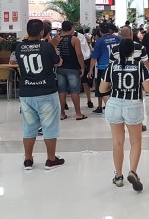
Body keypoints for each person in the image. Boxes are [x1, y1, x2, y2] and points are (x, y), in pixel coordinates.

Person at [99, 38, 149, 190]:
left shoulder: (111, 66)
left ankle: (118, 176)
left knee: (117, 142)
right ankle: (133, 171)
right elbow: (148, 89)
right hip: (133, 104)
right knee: (135, 142)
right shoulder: (140, 66)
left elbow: (102, 89)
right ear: (132, 51)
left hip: (114, 104)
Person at [15, 19, 65, 170]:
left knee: (29, 127)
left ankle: (28, 160)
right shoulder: (46, 46)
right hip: (46, 92)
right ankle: (51, 159)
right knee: (49, 126)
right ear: (42, 32)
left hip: (26, 93)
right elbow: (59, 62)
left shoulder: (19, 48)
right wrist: (54, 45)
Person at [53, 21, 87, 120]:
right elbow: (79, 54)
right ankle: (78, 113)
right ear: (72, 28)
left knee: (62, 91)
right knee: (74, 91)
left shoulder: (56, 39)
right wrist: (82, 66)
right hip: (73, 68)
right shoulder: (74, 39)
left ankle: (62, 113)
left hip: (60, 68)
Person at [89, 23, 121, 114]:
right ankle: (117, 105)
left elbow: (94, 57)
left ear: (100, 31)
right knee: (116, 87)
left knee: (102, 88)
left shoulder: (99, 41)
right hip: (116, 67)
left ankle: (105, 106)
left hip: (103, 68)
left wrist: (91, 70)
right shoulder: (119, 39)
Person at [76, 28, 94, 109]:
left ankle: (65, 104)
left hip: (75, 61)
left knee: (72, 83)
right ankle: (89, 100)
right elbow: (88, 50)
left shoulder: (66, 37)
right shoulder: (83, 37)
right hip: (86, 59)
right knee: (84, 81)